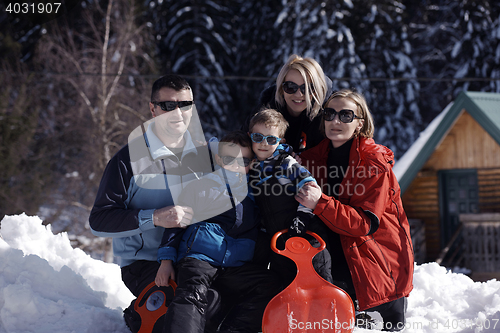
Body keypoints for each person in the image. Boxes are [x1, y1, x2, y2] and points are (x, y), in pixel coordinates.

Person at [89, 75, 225, 332]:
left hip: (193, 257)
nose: (178, 113)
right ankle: (141, 316)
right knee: (184, 310)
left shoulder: (205, 154)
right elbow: (99, 221)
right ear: (153, 109)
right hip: (146, 263)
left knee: (224, 302)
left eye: (185, 105)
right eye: (168, 106)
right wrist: (153, 218)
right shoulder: (127, 159)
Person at [296, 89, 414, 331]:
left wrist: (320, 202)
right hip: (333, 256)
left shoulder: (372, 163)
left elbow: (362, 225)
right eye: (330, 114)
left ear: (360, 123)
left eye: (346, 115)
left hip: (374, 264)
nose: (335, 121)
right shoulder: (311, 159)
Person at [155, 131, 280, 333]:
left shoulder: (255, 193)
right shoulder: (201, 186)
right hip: (199, 258)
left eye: (244, 160)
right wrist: (166, 260)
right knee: (192, 295)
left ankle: (232, 329)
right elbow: (176, 223)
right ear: (219, 159)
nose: (236, 165)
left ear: (251, 164)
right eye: (230, 159)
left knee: (269, 285)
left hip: (235, 265)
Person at [247, 109, 333, 288]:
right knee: (286, 281)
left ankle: (326, 311)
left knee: (314, 277)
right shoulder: (252, 167)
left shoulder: (287, 164)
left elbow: (310, 186)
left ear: (280, 141)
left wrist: (302, 218)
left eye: (271, 139)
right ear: (250, 137)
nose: (263, 143)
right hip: (277, 239)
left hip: (303, 233)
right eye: (257, 137)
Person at [242, 54, 333, 153]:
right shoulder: (265, 111)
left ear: (317, 90)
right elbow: (239, 145)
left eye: (307, 88)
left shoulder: (329, 116)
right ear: (281, 88)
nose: (298, 94)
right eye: (290, 87)